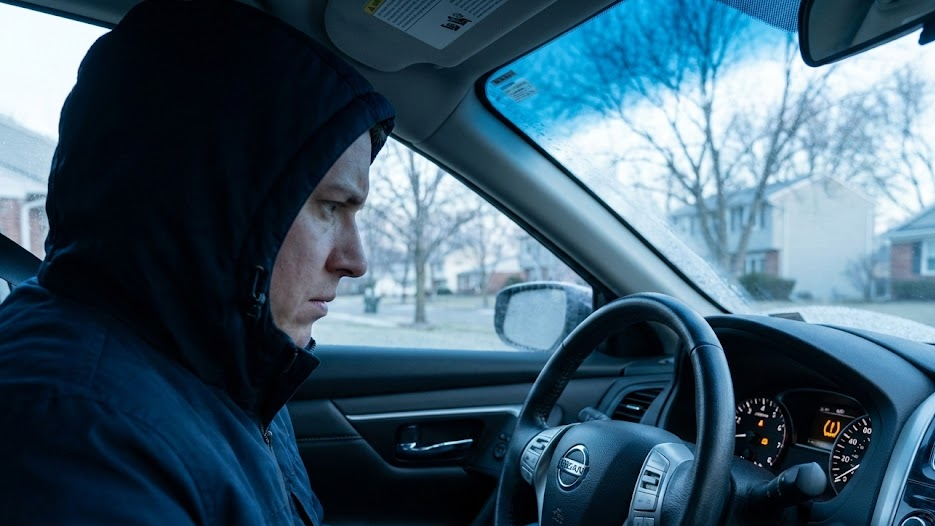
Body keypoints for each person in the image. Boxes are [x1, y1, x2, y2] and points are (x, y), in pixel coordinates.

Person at [0, 1, 394, 524]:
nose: (355, 261)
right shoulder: (76, 431)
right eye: (331, 207)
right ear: (214, 201)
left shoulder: (218, 355)